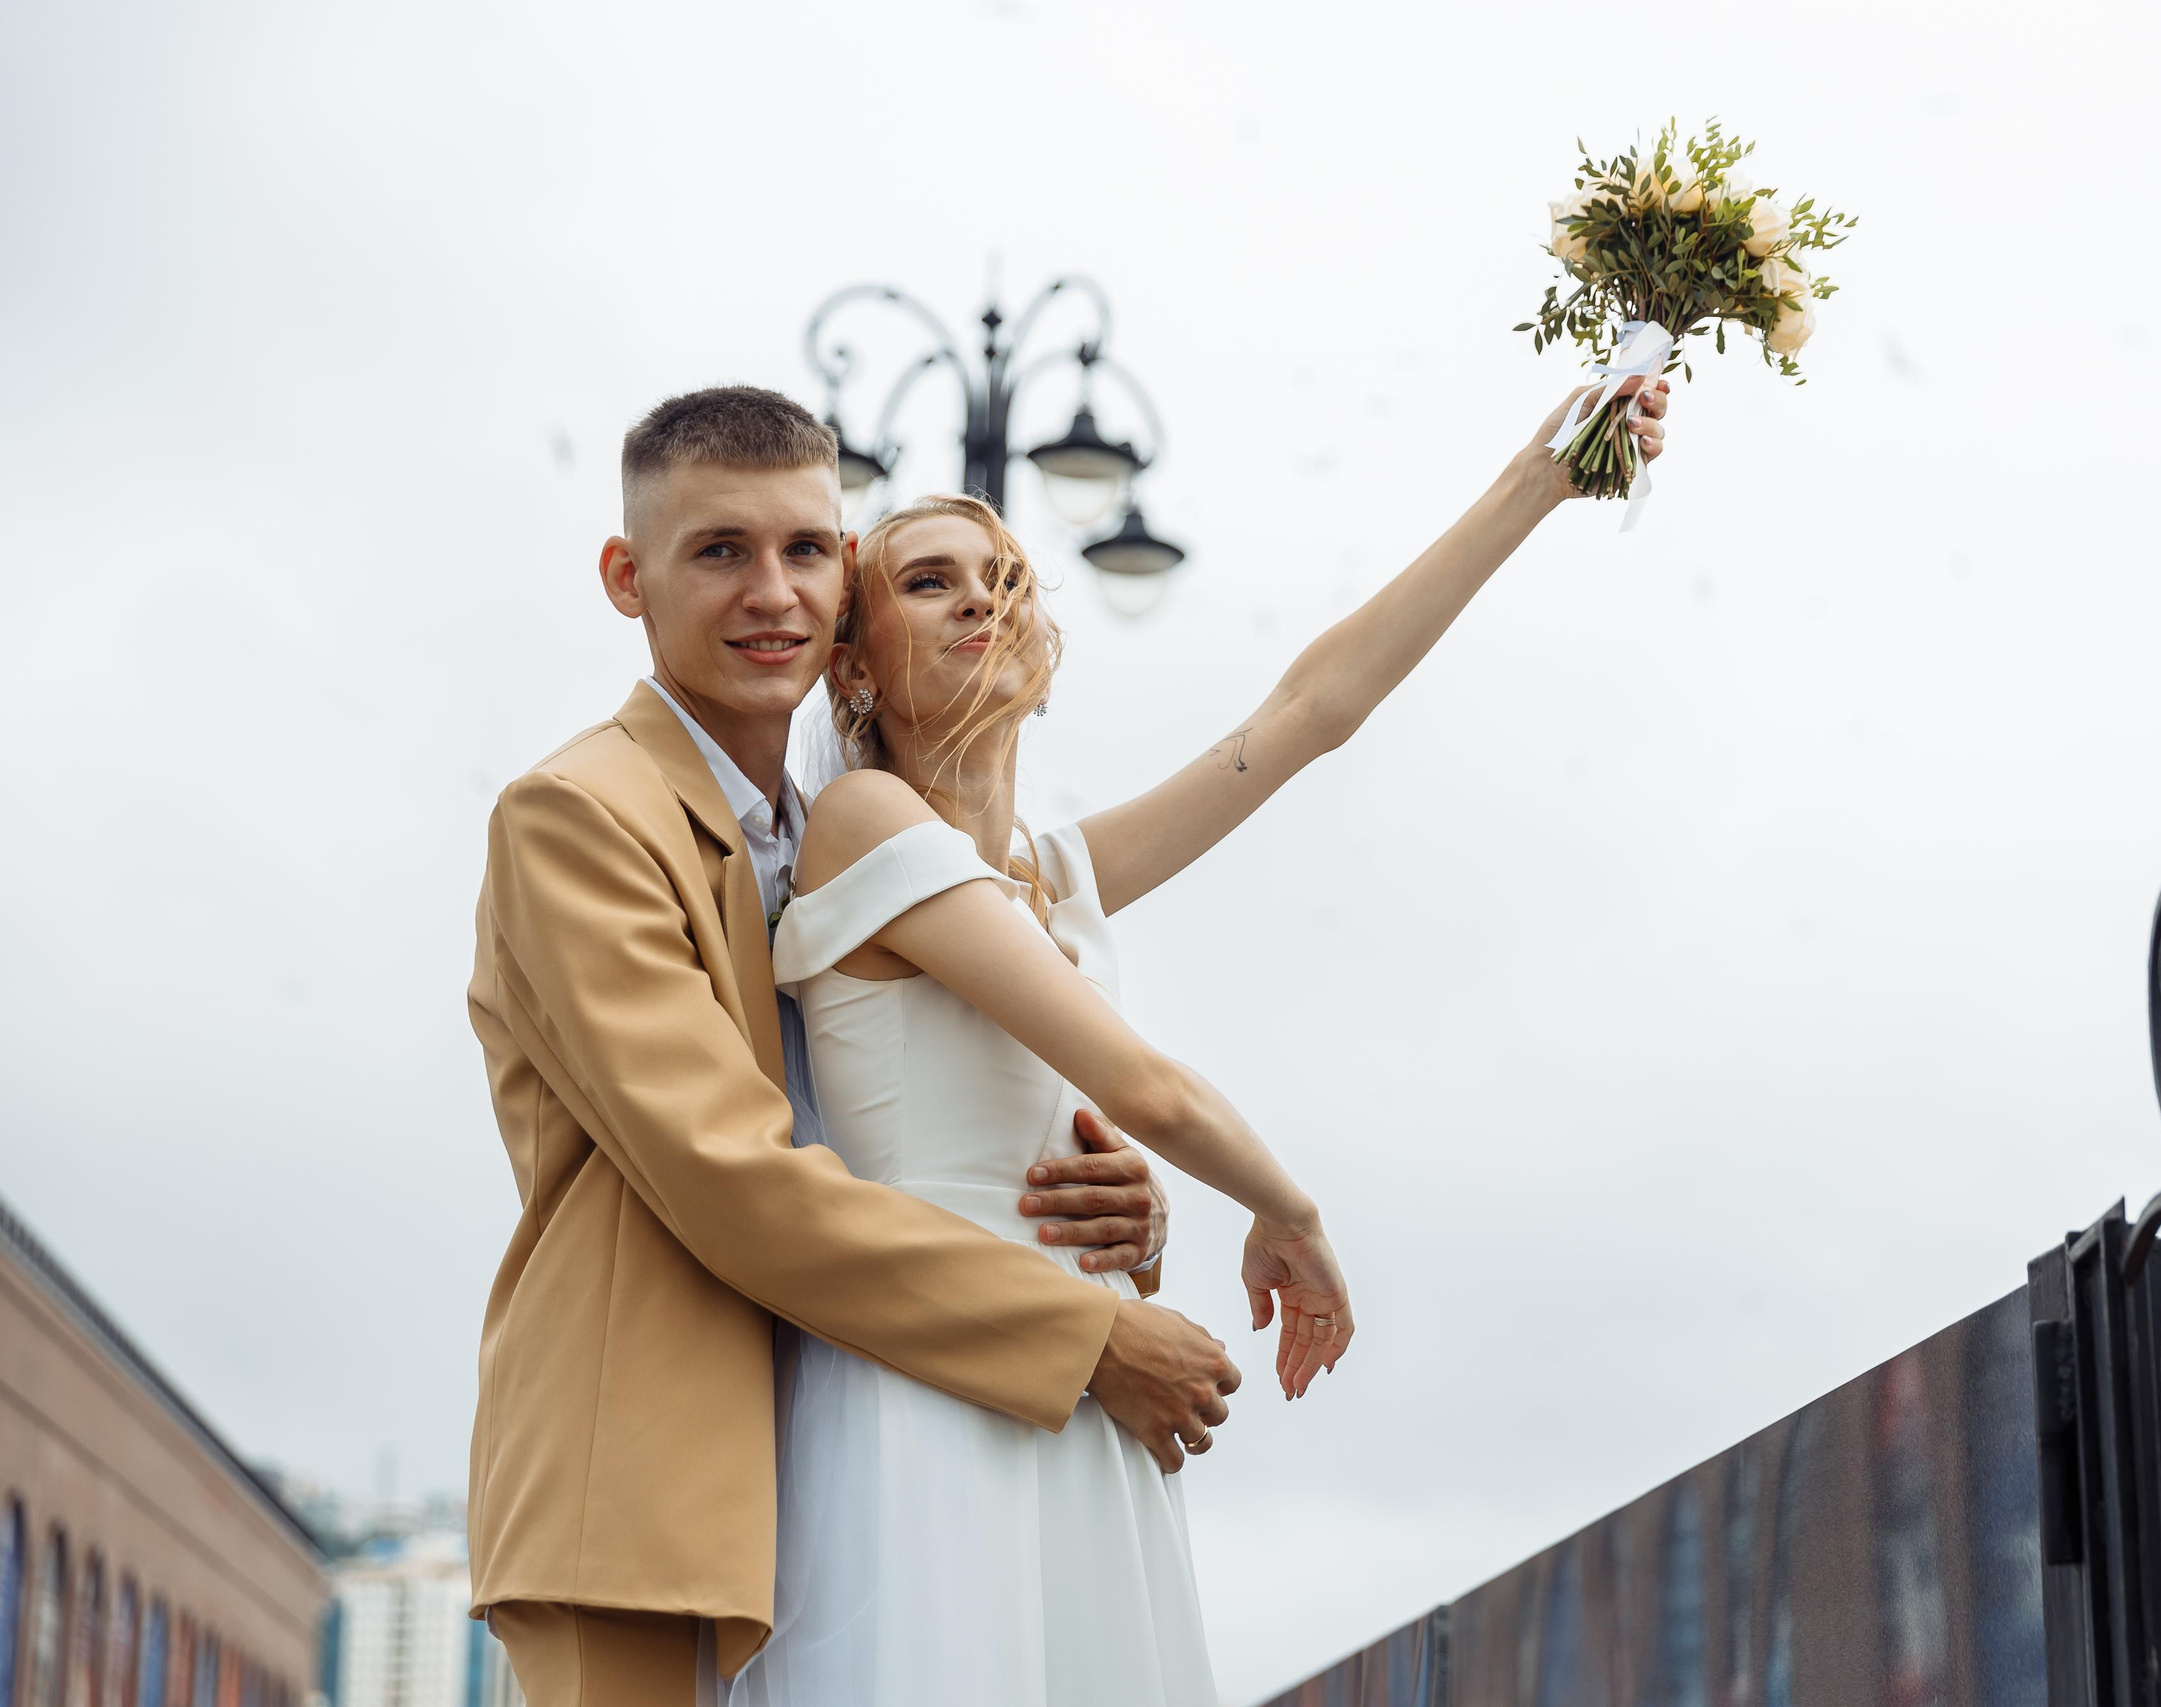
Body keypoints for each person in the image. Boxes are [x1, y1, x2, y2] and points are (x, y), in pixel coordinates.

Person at [733, 375, 1669, 1705]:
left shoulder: (1051, 872)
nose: (983, 601)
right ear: (855, 666)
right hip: (939, 1383)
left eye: (1007, 579)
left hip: (1089, 1384)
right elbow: (1145, 1088)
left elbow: (1303, 718)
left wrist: (1543, 479)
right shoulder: (865, 822)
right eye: (930, 583)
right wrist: (1290, 1212)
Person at [464, 386, 1245, 1707]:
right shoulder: (578, 816)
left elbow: (885, 1122)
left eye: (807, 550)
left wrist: (1110, 1200)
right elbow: (734, 1177)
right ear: (627, 577)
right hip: (652, 1512)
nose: (771, 591)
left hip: (842, 1471)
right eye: (721, 550)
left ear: (841, 594)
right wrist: (1086, 1336)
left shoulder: (835, 839)